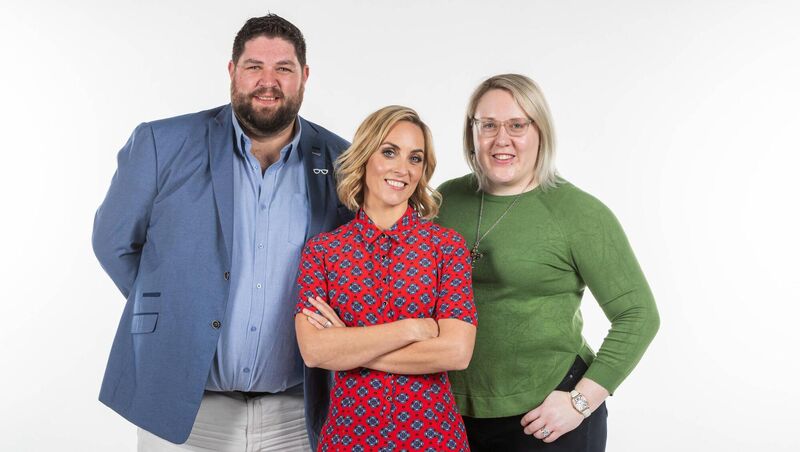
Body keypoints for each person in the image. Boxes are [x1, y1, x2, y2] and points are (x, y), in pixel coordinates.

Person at [92, 14, 351, 451]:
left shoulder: (342, 161)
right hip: (181, 406)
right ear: (233, 71)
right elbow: (113, 242)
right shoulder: (163, 143)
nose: (267, 82)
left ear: (304, 76)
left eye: (283, 69)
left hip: (296, 412)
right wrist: (176, 304)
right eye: (254, 67)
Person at [436, 74, 660, 451]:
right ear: (470, 132)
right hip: (454, 412)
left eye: (517, 125)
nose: (500, 139)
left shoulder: (577, 212)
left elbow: (639, 314)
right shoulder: (445, 200)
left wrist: (580, 402)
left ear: (541, 131)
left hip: (546, 415)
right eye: (487, 124)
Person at [293, 105, 477, 451]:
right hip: (350, 439)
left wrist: (348, 345)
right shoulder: (322, 252)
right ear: (365, 156)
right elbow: (315, 351)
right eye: (389, 152)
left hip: (432, 438)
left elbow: (456, 351)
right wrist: (410, 329)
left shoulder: (446, 247)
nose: (402, 169)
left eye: (415, 158)